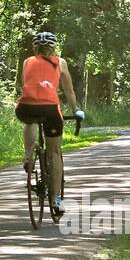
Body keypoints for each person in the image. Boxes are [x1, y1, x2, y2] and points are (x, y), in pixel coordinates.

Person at [15, 32, 83, 217]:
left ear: (35, 47)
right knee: (54, 152)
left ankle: (28, 155)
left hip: (25, 106)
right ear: (53, 47)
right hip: (51, 109)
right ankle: (57, 199)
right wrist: (75, 109)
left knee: (29, 122)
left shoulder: (27, 62)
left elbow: (25, 84)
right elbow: (68, 90)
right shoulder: (60, 62)